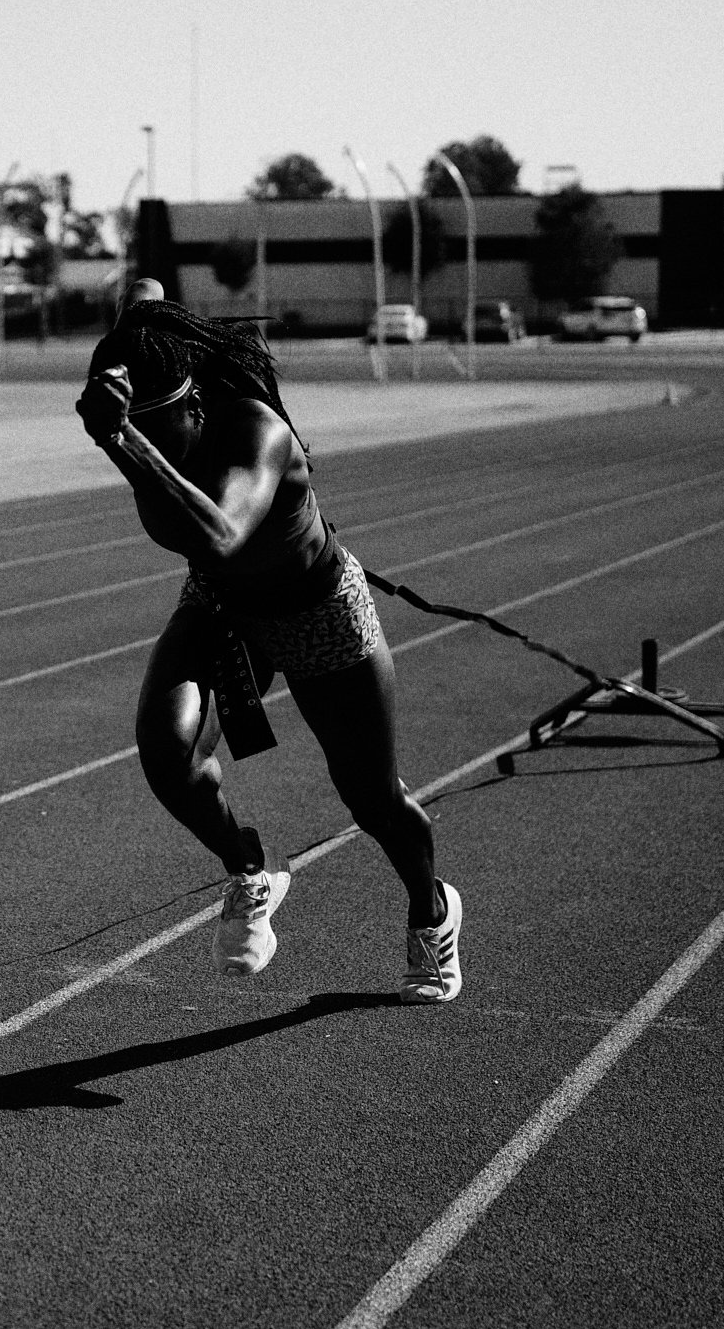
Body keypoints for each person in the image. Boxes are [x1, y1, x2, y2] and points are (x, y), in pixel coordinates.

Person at [74, 280, 460, 1002]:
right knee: (167, 748)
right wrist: (132, 329)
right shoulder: (156, 397)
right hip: (224, 605)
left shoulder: (257, 432)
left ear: (195, 404)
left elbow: (220, 533)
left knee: (373, 799)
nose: (152, 446)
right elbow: (145, 296)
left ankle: (431, 907)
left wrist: (123, 436)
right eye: (139, 430)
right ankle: (252, 869)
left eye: (161, 431)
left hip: (317, 610)